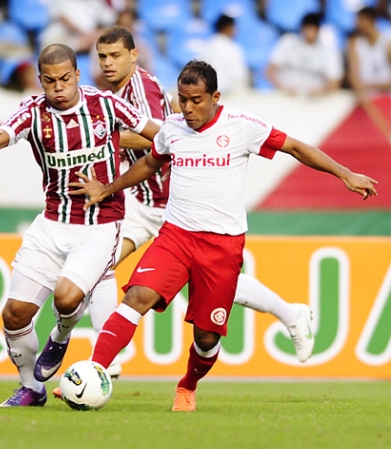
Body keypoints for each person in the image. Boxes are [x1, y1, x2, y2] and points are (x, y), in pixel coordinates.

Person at [71, 60, 378, 412]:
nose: (187, 108)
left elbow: (294, 147)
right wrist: (108, 188)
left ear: (215, 97)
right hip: (176, 236)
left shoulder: (242, 126)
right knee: (136, 297)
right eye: (183, 99)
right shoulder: (172, 128)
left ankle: (188, 385)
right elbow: (150, 163)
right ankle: (93, 372)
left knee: (206, 337)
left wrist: (345, 174)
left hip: (222, 245)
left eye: (196, 100)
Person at [56, 26, 318, 399]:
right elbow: (155, 153)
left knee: (209, 321)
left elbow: (150, 135)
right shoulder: (147, 109)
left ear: (134, 55)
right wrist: (109, 186)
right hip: (158, 214)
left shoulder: (147, 91)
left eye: (115, 55)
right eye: (102, 57)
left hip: (184, 214)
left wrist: (98, 134)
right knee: (112, 274)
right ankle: (97, 367)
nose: (107, 63)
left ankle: (286, 318)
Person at [0, 44, 160, 407]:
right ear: (40, 80)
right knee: (14, 314)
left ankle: (61, 335)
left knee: (67, 296)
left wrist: (112, 186)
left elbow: (159, 135)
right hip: (51, 224)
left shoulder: (106, 104)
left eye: (64, 79)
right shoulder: (33, 111)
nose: (58, 87)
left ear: (76, 75)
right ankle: (31, 387)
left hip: (100, 224)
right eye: (50, 81)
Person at [266, 13, 343, 97]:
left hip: (315, 99)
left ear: (318, 30)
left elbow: (334, 82)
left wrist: (320, 92)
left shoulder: (329, 51)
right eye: (307, 28)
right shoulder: (287, 42)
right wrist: (283, 88)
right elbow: (269, 71)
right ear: (301, 28)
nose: (309, 32)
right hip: (284, 96)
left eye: (312, 29)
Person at [347, 6, 391, 141]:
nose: (356, 25)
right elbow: (353, 73)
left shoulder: (387, 43)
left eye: (359, 21)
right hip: (366, 99)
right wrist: (360, 91)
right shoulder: (354, 43)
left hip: (386, 98)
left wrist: (369, 86)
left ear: (369, 20)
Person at [39, 0, 116, 54]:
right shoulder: (60, 2)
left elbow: (109, 20)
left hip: (89, 41)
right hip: (59, 40)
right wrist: (87, 36)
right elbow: (63, 19)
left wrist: (96, 35)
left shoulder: (94, 3)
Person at [199, 14, 249, 96]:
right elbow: (238, 76)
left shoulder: (206, 47)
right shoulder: (233, 48)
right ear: (228, 27)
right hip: (228, 94)